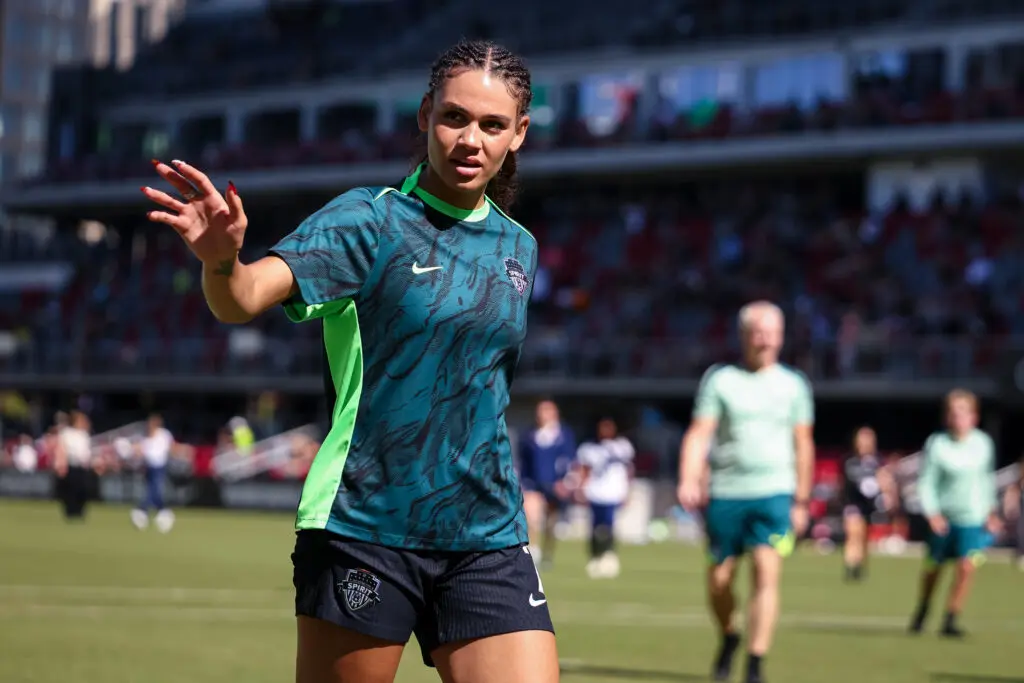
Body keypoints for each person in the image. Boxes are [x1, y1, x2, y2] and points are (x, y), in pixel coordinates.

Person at [142, 39, 557, 683]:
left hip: (487, 533)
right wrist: (221, 261)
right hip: (366, 522)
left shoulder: (519, 248)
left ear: (519, 134)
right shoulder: (367, 222)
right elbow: (243, 297)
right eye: (454, 117)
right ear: (424, 117)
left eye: (492, 124)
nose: (470, 138)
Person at [677, 301, 815, 683]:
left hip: (774, 491)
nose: (767, 339)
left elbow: (803, 444)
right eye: (759, 331)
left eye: (773, 332)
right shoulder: (721, 380)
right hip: (725, 492)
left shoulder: (794, 385)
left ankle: (755, 662)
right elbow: (699, 433)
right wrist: (689, 477)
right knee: (719, 582)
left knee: (766, 574)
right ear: (744, 336)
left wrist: (802, 500)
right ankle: (729, 635)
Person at [909, 389, 1000, 638]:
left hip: (972, 517)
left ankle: (951, 617)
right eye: (953, 412)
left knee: (966, 567)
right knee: (933, 568)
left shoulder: (983, 444)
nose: (958, 417)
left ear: (973, 416)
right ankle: (923, 608)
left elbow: (986, 481)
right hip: (944, 518)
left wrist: (991, 511)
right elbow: (927, 482)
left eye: (963, 412)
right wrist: (933, 514)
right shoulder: (937, 444)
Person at [518, 399, 577, 568]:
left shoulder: (563, 435)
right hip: (533, 484)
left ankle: (547, 554)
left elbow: (570, 459)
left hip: (555, 484)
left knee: (551, 523)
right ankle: (533, 550)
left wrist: (566, 482)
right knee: (532, 517)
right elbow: (524, 461)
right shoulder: (530, 435)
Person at [576, 416, 634, 579]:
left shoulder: (622, 446)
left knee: (609, 527)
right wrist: (581, 489)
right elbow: (584, 470)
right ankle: (594, 556)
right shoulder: (589, 448)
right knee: (594, 528)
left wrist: (628, 491)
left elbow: (628, 471)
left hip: (613, 493)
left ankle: (609, 555)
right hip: (595, 492)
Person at [840, 426, 895, 582]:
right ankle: (850, 565)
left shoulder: (877, 461)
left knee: (864, 537)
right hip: (852, 504)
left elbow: (884, 480)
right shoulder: (849, 461)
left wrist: (886, 492)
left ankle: (860, 565)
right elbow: (847, 483)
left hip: (870, 506)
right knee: (853, 533)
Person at [130, 413, 178, 533]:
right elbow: (141, 451)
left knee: (154, 489)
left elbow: (171, 447)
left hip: (160, 466)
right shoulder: (146, 437)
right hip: (149, 466)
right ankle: (161, 511)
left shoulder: (164, 434)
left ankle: (143, 509)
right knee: (152, 489)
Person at [53, 410, 93, 521]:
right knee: (70, 491)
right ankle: (70, 512)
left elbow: (86, 452)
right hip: (71, 465)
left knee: (83, 490)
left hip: (82, 467)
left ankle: (80, 512)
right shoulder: (66, 433)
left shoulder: (84, 435)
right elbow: (62, 449)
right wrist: (61, 464)